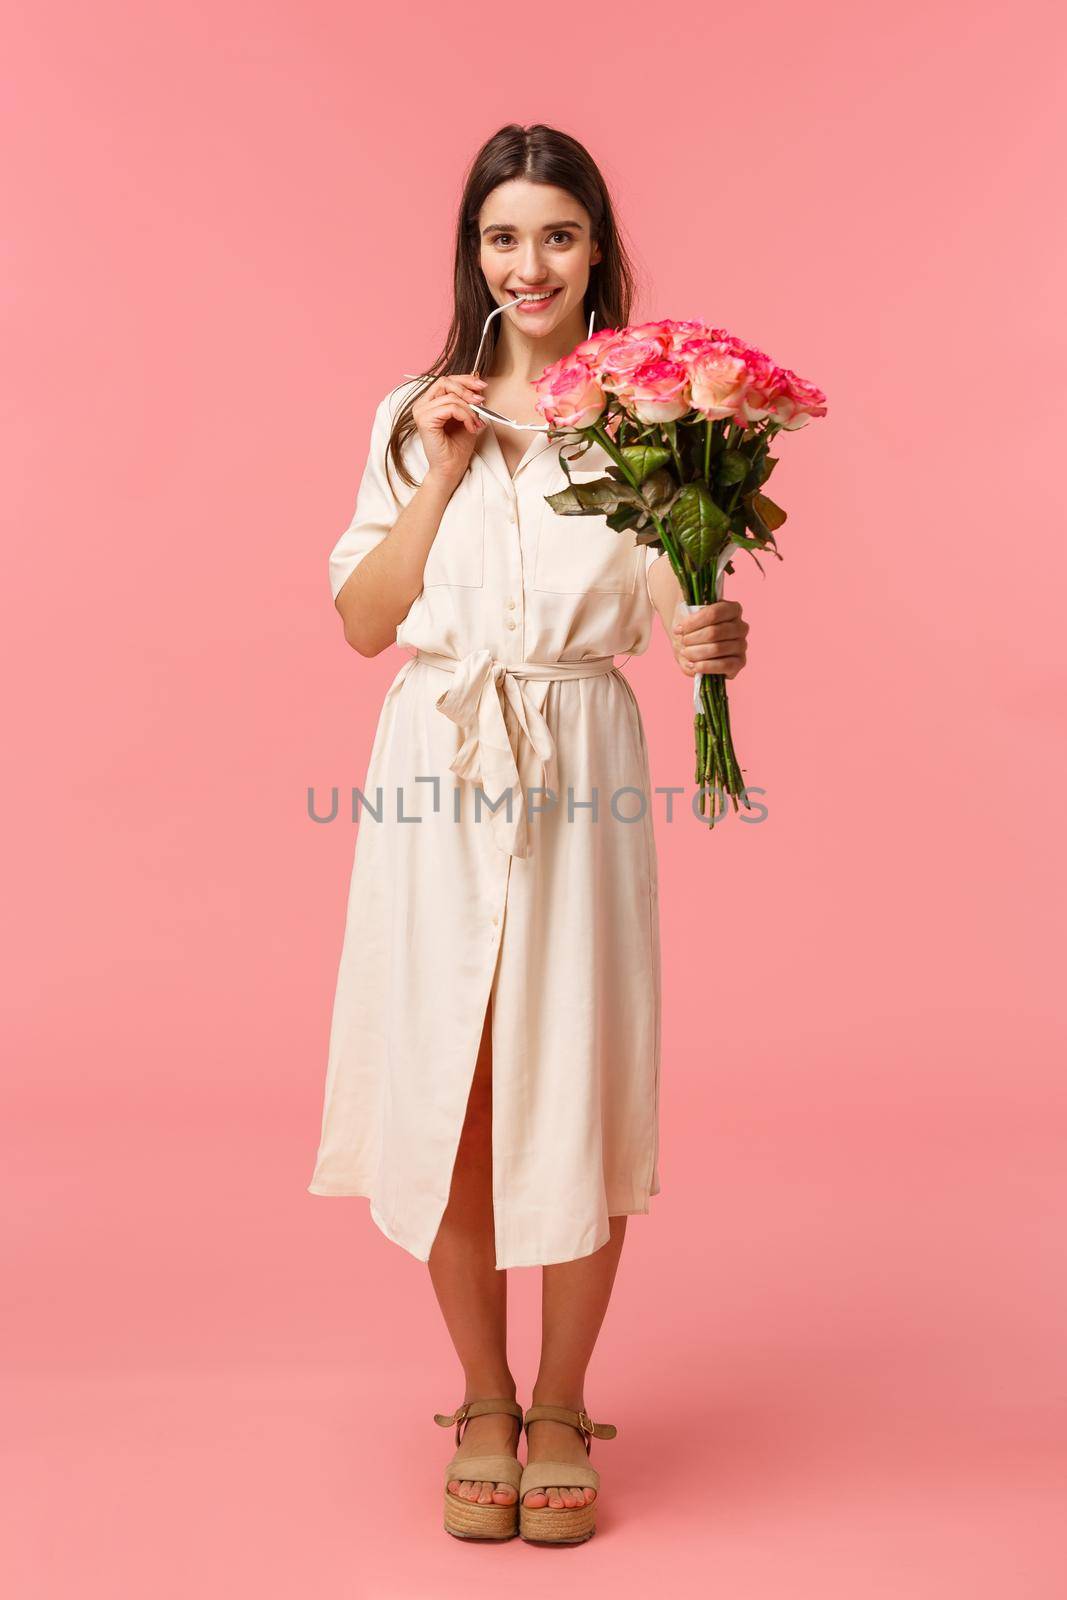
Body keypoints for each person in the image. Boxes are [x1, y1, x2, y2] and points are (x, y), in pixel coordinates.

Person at [308, 123, 749, 1546]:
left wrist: (714, 638)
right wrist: (438, 465)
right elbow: (368, 622)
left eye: (558, 234)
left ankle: (564, 1401)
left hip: (580, 755)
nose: (531, 262)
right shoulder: (408, 413)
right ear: (474, 253)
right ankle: (484, 1398)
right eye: (505, 236)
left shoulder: (656, 421)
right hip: (439, 766)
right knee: (458, 1080)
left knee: (576, 1067)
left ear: (598, 249)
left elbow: (681, 601)